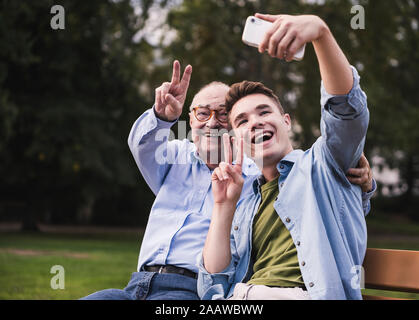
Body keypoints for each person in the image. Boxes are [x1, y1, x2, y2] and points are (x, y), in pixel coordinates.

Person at [81, 56, 374, 299]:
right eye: (202, 113)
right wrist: (162, 117)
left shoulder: (254, 174)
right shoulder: (175, 157)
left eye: (223, 115)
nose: (212, 122)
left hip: (192, 292)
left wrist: (360, 182)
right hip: (137, 284)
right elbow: (142, 146)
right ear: (190, 120)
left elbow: (312, 183)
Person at [198, 13, 373, 300]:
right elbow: (212, 287)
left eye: (264, 112)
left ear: (287, 122)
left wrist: (320, 33)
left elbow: (346, 110)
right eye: (241, 121)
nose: (254, 122)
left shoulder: (325, 165)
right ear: (236, 139)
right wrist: (223, 206)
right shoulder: (246, 202)